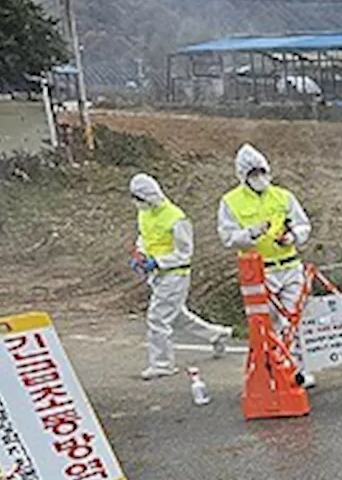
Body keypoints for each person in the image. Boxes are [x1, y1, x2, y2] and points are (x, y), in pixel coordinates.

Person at [216, 144, 316, 387]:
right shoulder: (231, 202)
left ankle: (298, 370)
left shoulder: (283, 196)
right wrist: (250, 233)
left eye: (262, 172)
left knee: (295, 319)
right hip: (260, 271)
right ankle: (272, 369)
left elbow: (303, 224)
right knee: (266, 322)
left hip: (290, 265)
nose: (259, 178)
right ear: (243, 176)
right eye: (253, 174)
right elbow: (227, 237)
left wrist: (293, 236)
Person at [129, 173, 232, 380]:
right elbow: (145, 236)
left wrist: (157, 261)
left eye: (139, 199)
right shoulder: (146, 213)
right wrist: (139, 253)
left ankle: (162, 364)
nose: (137, 204)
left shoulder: (176, 218)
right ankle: (216, 334)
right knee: (175, 315)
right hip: (158, 275)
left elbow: (185, 253)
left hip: (175, 275)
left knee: (157, 318)